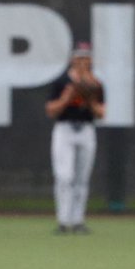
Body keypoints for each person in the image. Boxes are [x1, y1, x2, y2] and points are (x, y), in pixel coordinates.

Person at [44, 41, 105, 235]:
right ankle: (63, 221)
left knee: (81, 178)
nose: (82, 61)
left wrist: (90, 98)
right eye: (79, 57)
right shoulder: (62, 82)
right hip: (65, 129)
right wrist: (67, 97)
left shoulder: (95, 84)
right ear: (72, 59)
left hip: (86, 130)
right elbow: (51, 111)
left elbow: (101, 113)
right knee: (64, 176)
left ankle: (77, 221)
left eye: (86, 57)